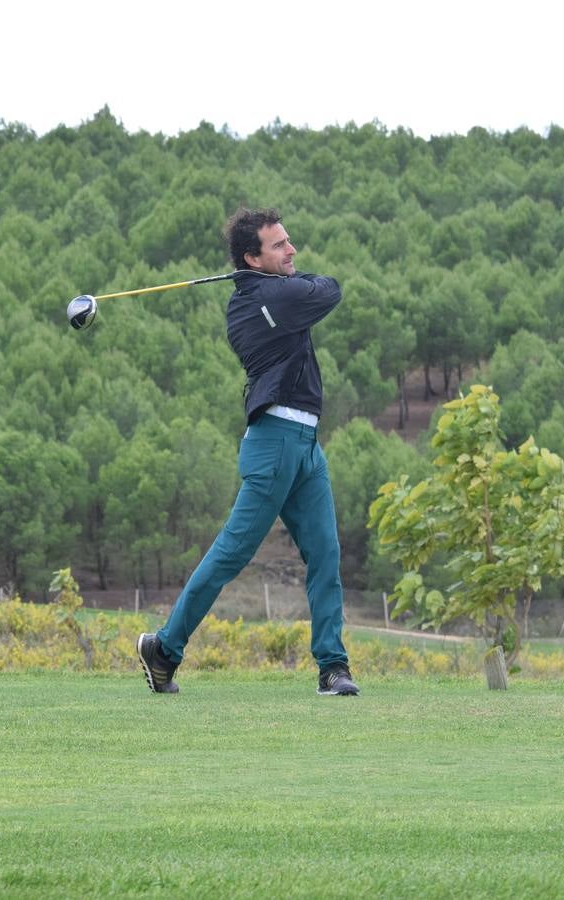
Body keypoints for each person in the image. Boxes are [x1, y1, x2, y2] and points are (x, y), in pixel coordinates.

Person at [137, 207, 359, 697]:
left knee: (325, 554)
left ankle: (333, 667)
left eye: (288, 241)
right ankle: (165, 648)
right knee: (233, 553)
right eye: (279, 245)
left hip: (305, 445)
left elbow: (323, 289)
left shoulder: (277, 292)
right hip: (274, 442)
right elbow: (331, 289)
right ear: (251, 259)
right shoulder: (255, 305)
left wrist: (297, 281)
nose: (291, 250)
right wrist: (301, 285)